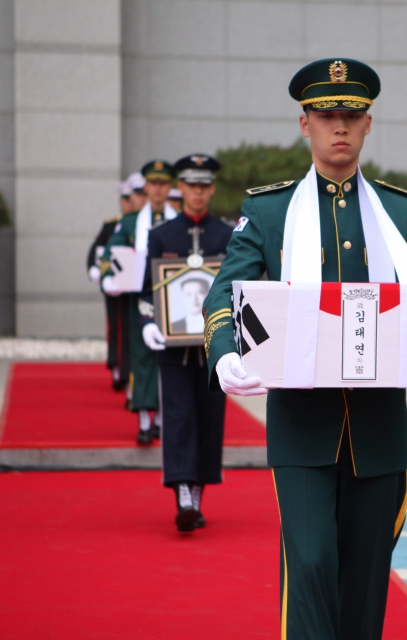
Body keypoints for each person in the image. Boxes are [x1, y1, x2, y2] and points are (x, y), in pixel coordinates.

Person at [202, 59, 407, 639]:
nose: (341, 127)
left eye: (352, 116)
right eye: (328, 115)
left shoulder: (401, 212)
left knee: (365, 577)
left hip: (378, 431)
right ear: (304, 124)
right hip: (302, 427)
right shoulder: (270, 211)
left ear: (368, 126)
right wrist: (225, 352)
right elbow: (223, 293)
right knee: (310, 564)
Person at [139, 153, 232, 532]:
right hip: (174, 345)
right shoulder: (162, 235)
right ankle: (182, 491)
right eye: (191, 185)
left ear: (212, 189)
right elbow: (148, 288)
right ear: (181, 188)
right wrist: (148, 320)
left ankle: (197, 491)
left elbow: (238, 287)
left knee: (210, 418)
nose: (198, 192)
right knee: (178, 416)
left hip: (215, 345)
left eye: (204, 185)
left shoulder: (227, 235)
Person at [101, 161, 178, 444]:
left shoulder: (177, 219)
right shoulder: (132, 222)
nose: (157, 189)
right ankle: (145, 421)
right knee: (143, 359)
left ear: (170, 187)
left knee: (169, 360)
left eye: (163, 183)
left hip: (173, 300)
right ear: (145, 186)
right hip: (140, 298)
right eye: (153, 183)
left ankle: (163, 419)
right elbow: (111, 253)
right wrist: (108, 277)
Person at [88, 174, 145, 391]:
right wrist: (99, 273)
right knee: (118, 328)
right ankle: (119, 368)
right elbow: (100, 251)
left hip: (144, 286)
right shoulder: (117, 224)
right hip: (121, 285)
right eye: (131, 197)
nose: (132, 201)